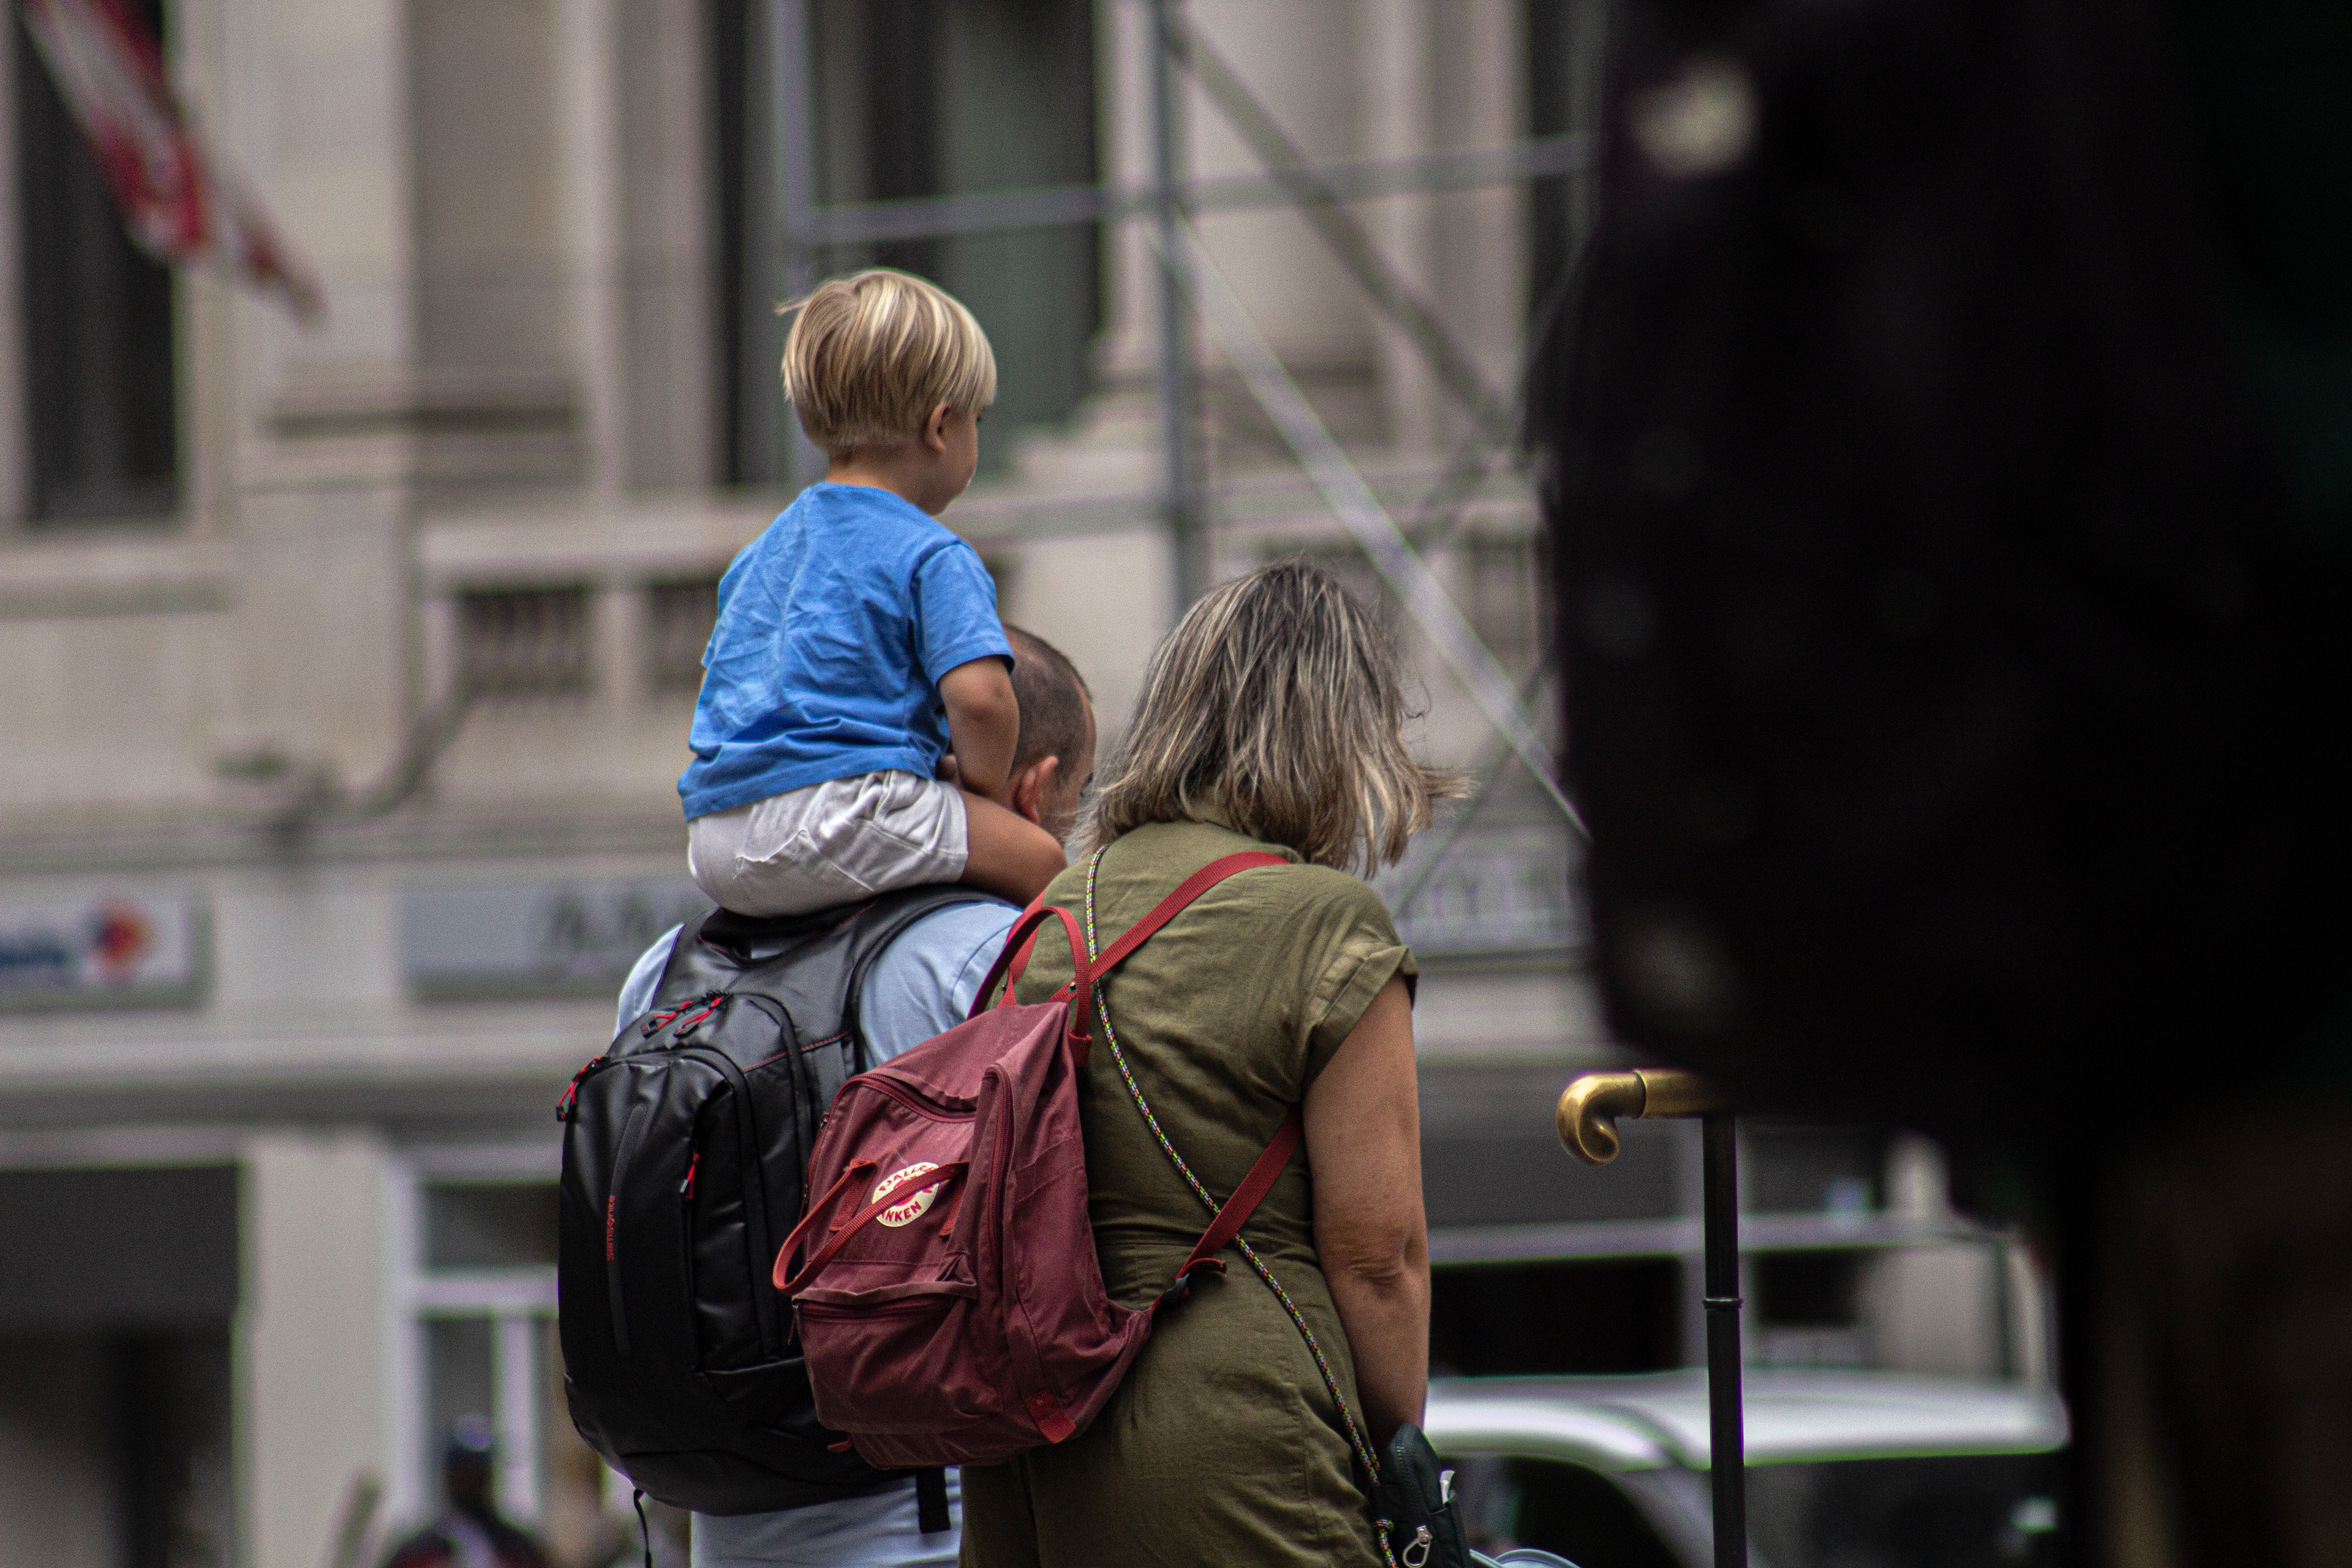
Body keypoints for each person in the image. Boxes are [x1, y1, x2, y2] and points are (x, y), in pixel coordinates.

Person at [959, 562, 1449, 1567]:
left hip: (1035, 1453)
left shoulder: (1052, 912)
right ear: (1338, 734)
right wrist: (1396, 1456)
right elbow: (1378, 1259)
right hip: (1245, 1447)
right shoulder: (1327, 922)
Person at [619, 625, 1097, 1568]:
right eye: (1077, 806)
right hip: (933, 1529)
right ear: (1036, 790)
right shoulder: (991, 954)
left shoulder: (666, 973)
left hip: (723, 1523)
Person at [679, 268, 1066, 920]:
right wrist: (983, 789)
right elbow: (982, 700)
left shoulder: (759, 556)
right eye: (978, 419)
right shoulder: (934, 554)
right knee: (1041, 861)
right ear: (941, 427)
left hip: (715, 837)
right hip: (837, 814)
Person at [382, 1416, 550, 1568]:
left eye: (482, 1471)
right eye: (467, 1471)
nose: (475, 1481)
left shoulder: (518, 1549)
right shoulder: (421, 1552)